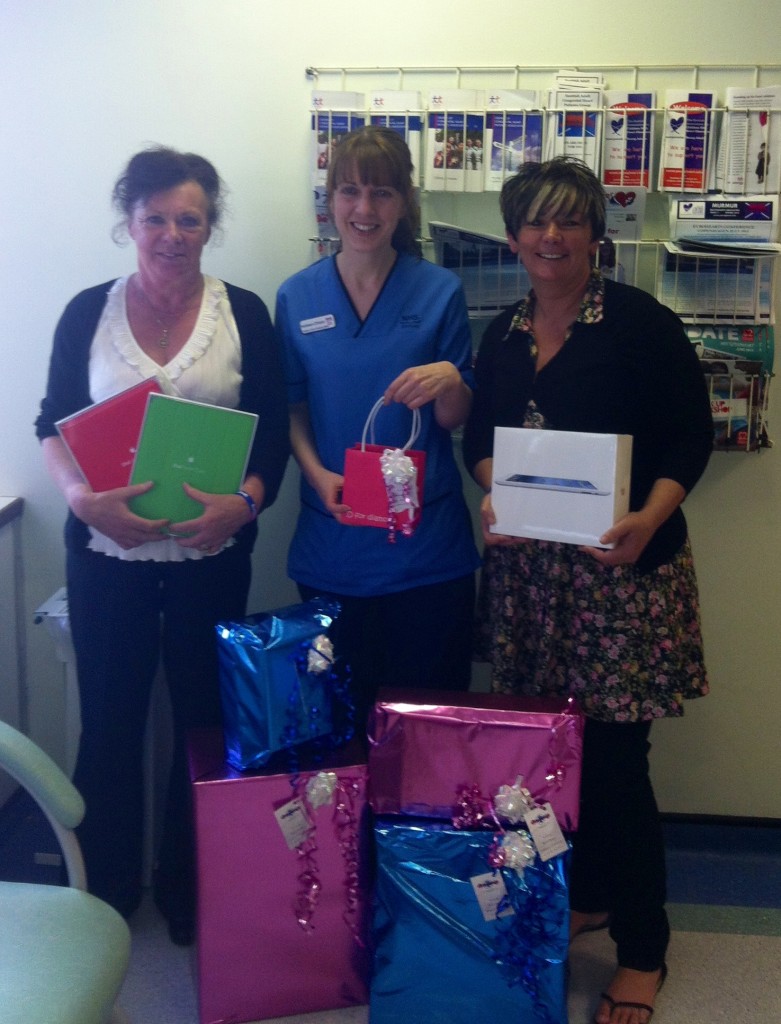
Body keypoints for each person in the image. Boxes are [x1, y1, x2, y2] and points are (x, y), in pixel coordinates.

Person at [461, 157, 713, 1024]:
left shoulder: (638, 324)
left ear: (595, 235)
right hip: (533, 584)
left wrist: (647, 518)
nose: (551, 236)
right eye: (535, 221)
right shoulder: (501, 334)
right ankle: (592, 895)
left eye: (569, 220)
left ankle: (642, 950)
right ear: (512, 237)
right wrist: (493, 492)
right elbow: (478, 445)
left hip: (620, 578)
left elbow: (689, 437)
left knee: (613, 767)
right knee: (552, 760)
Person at [35, 146, 290, 944]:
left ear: (210, 226)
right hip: (106, 559)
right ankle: (103, 888)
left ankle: (189, 889)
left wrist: (243, 507)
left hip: (210, 560)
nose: (172, 235)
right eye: (156, 219)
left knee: (202, 723)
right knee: (109, 723)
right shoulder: (88, 311)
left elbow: (272, 437)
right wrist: (81, 499)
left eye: (190, 220)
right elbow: (52, 424)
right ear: (129, 221)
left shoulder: (245, 314)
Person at [275, 125, 481, 729]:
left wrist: (451, 381)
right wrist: (316, 474)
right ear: (331, 198)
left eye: (382, 193)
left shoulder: (440, 291)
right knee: (340, 734)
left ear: (404, 201)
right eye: (350, 191)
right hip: (333, 547)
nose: (364, 209)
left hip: (426, 556)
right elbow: (291, 408)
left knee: (427, 732)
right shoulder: (297, 296)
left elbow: (454, 418)